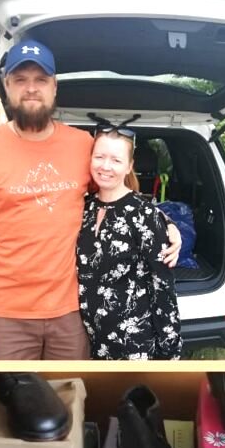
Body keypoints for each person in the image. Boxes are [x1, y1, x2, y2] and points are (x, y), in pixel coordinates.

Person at [0, 39, 181, 360]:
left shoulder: (81, 145)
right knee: (13, 391)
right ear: (6, 86)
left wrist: (164, 222)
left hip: (71, 312)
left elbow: (115, 190)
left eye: (41, 79)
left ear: (54, 87)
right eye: (20, 79)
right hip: (5, 313)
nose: (31, 88)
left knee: (72, 387)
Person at [77, 126, 182, 360]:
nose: (105, 166)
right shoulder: (83, 208)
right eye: (100, 157)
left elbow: (162, 285)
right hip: (89, 340)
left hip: (132, 343)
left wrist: (169, 350)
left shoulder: (144, 214)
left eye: (116, 160)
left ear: (129, 166)